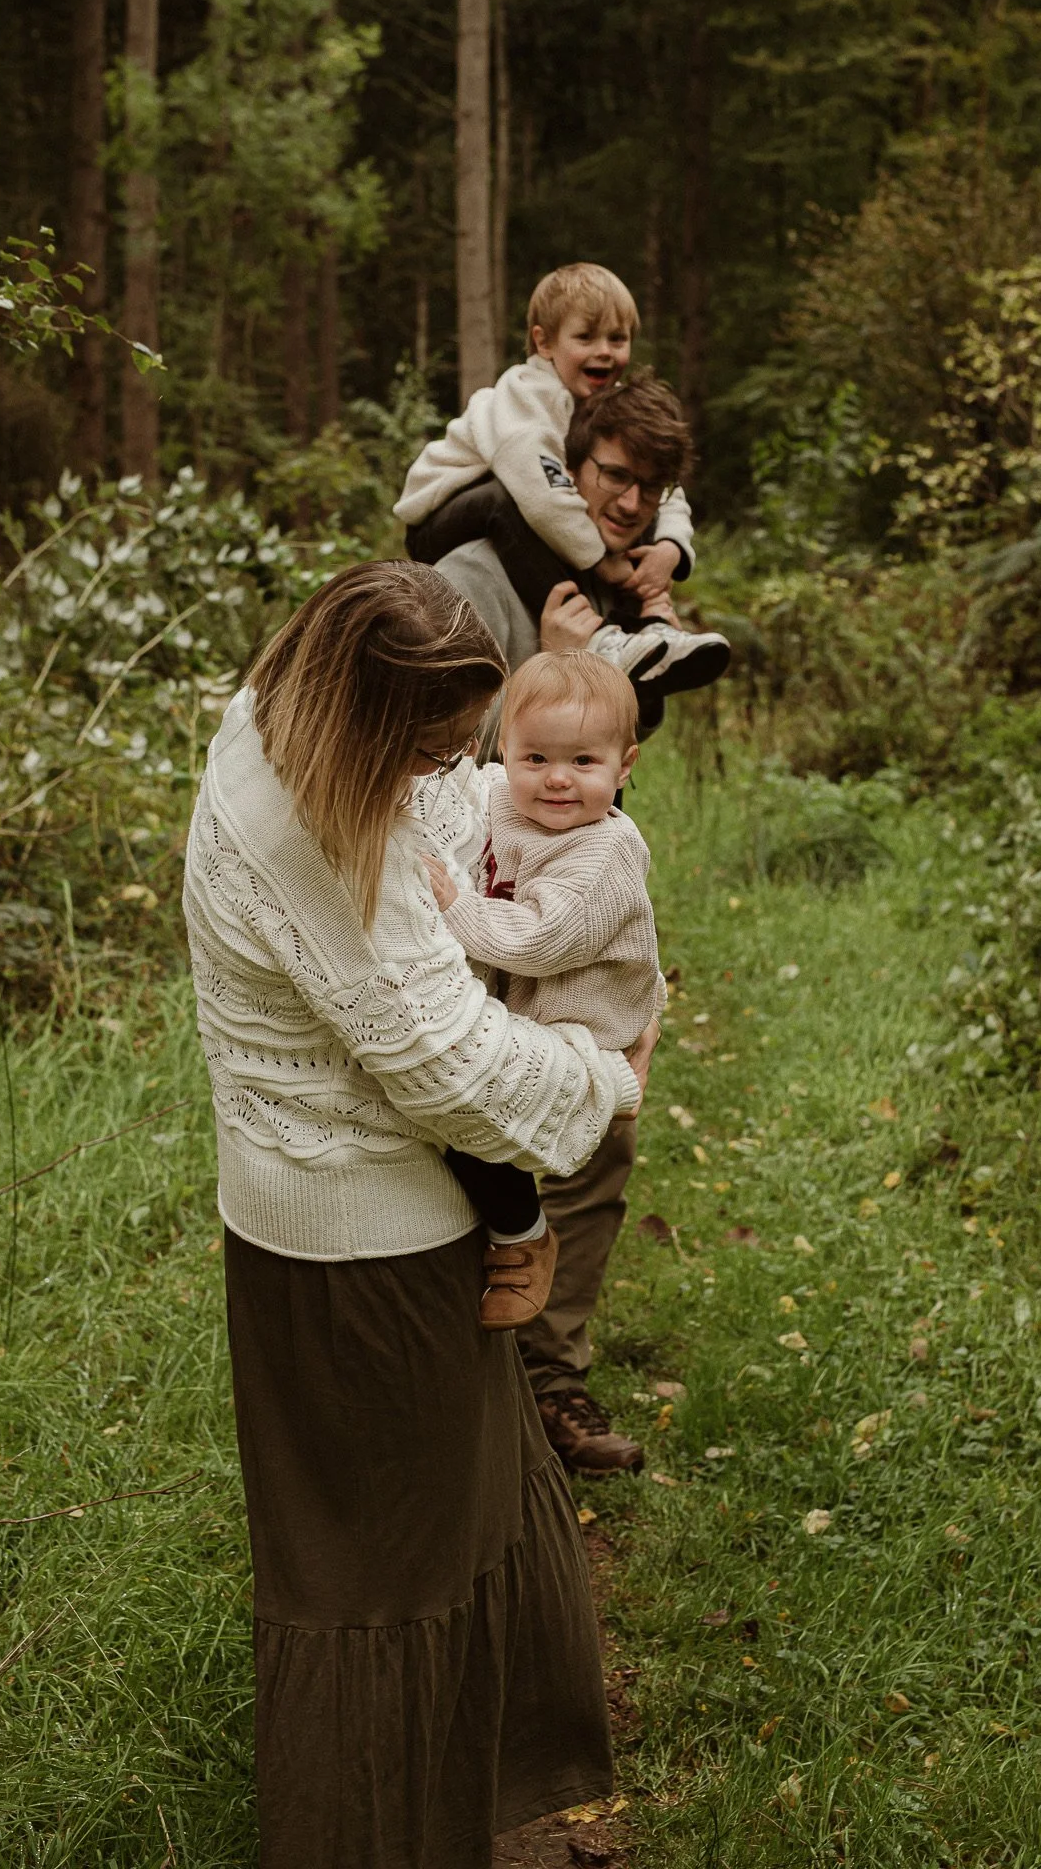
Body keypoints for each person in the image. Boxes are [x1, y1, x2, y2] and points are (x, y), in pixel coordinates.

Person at [183, 559, 657, 1868]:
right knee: (380, 1592)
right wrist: (601, 1079)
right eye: (433, 748)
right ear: (369, 721)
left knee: (458, 1531)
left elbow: (444, 832)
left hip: (370, 1219)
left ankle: (470, 1807)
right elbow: (449, 1069)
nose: (447, 774)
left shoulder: (274, 712)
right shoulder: (325, 845)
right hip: (362, 1260)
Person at [429, 373, 687, 1477]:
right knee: (473, 1164)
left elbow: (606, 739)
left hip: (550, 972)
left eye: (649, 487)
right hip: (485, 961)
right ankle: (467, 1374)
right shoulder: (482, 573)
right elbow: (453, 741)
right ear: (564, 473)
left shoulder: (620, 585)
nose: (627, 504)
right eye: (610, 477)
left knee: (579, 1170)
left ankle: (551, 1384)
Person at [425, 651, 662, 1338]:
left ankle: (521, 1233)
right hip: (526, 1003)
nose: (557, 780)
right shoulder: (497, 790)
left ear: (624, 767)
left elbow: (537, 939)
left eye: (583, 763)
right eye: (536, 759)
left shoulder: (601, 854)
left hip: (581, 1022)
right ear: (505, 750)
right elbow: (460, 790)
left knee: (474, 1102)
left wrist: (453, 906)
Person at [396, 261, 730, 695]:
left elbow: (665, 487)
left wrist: (669, 548)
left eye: (618, 338)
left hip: (522, 509)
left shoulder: (597, 410)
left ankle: (648, 634)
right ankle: (595, 639)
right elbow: (540, 495)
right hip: (444, 517)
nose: (605, 351)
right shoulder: (524, 398)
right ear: (544, 342)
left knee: (633, 487)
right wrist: (601, 561)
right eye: (586, 337)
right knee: (507, 500)